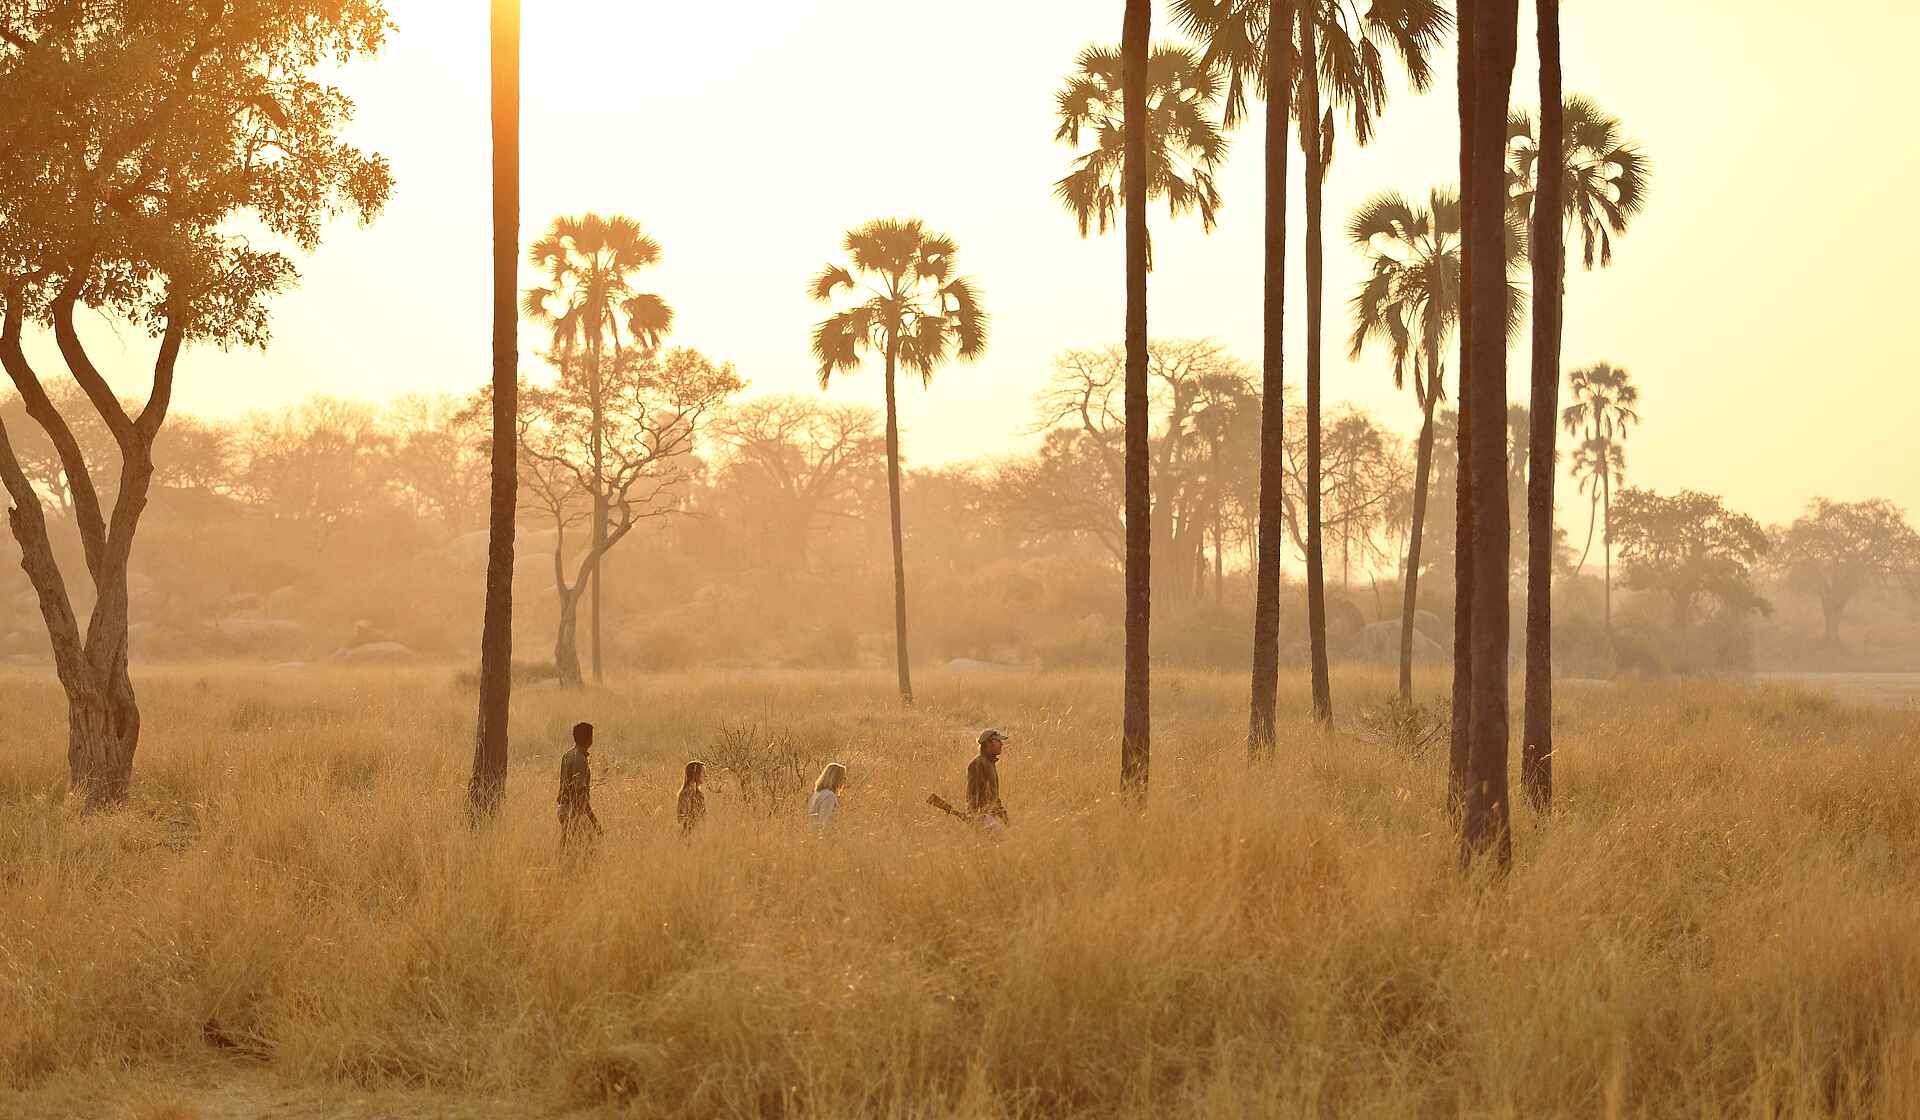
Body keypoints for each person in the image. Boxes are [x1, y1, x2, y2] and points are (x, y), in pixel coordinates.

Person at [557, 721, 601, 847]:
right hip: (574, 812)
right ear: (589, 739)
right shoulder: (580, 759)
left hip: (563, 808)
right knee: (587, 849)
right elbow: (580, 792)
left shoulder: (567, 755)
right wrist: (593, 819)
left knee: (567, 847)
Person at [966, 728, 1010, 831]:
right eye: (998, 741)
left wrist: (1001, 812)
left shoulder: (989, 763)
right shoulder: (978, 764)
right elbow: (972, 794)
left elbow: (992, 794)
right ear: (988, 744)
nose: (1001, 744)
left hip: (991, 816)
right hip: (984, 818)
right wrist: (976, 818)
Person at [807, 762, 847, 832]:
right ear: (836, 778)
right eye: (843, 777)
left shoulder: (817, 794)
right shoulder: (829, 796)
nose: (845, 780)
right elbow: (825, 822)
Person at [677, 759, 707, 835]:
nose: (705, 776)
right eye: (703, 773)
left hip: (700, 834)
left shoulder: (700, 795)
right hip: (688, 835)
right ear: (695, 774)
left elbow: (704, 817)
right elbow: (681, 819)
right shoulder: (685, 794)